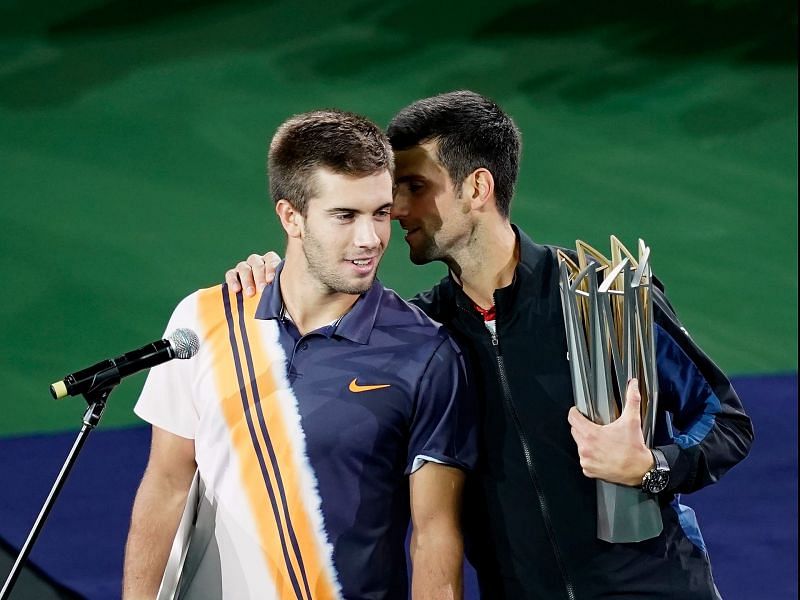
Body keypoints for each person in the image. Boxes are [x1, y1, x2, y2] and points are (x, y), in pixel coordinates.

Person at [227, 91, 754, 599]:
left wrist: (653, 467)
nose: (396, 211)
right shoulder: (422, 335)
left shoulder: (599, 296)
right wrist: (275, 274)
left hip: (653, 590)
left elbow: (725, 420)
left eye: (413, 187)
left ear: (477, 188)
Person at [124, 109, 476, 600]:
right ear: (291, 217)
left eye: (379, 213)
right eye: (345, 216)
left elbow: (434, 536)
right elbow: (166, 485)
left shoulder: (427, 354)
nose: (370, 239)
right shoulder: (203, 319)